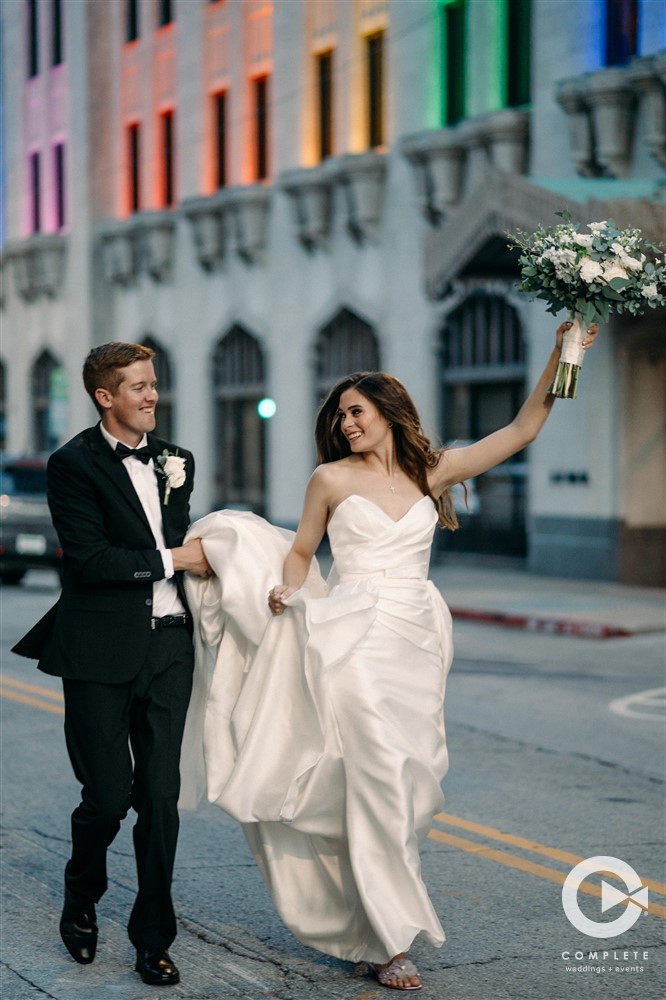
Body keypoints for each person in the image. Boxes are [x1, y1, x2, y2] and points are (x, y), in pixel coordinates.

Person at [180, 320, 597, 992]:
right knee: (375, 766)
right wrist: (287, 586)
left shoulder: (433, 470)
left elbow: (522, 429)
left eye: (357, 411)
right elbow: (300, 549)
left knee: (408, 785)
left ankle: (366, 919)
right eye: (341, 415)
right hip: (353, 634)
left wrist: (561, 353)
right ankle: (389, 939)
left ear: (388, 412)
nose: (346, 423)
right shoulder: (330, 479)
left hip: (417, 638)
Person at [12, 342, 211, 987]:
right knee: (105, 798)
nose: (153, 395)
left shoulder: (177, 461)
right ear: (105, 396)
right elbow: (90, 563)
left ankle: (152, 938)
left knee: (160, 798)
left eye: (154, 384)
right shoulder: (72, 463)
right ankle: (80, 895)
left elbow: (188, 545)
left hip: (169, 646)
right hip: (97, 650)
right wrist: (171, 561)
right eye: (138, 387)